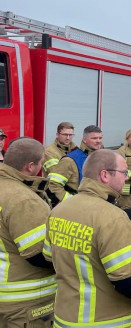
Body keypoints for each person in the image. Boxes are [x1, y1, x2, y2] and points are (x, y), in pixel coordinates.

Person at [44, 149, 131, 327]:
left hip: (65, 317)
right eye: (124, 172)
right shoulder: (113, 217)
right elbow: (130, 282)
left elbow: (49, 258)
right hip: (105, 320)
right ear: (105, 175)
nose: (126, 177)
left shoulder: (58, 210)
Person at [0, 138, 56, 327]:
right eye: (41, 163)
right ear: (31, 166)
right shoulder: (23, 199)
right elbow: (40, 254)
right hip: (25, 302)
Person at [46, 125, 103, 207]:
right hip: (77, 207)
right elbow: (53, 185)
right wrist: (72, 202)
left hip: (95, 205)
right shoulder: (70, 160)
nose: (98, 141)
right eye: (94, 138)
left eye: (100, 138)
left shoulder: (102, 158)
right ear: (84, 140)